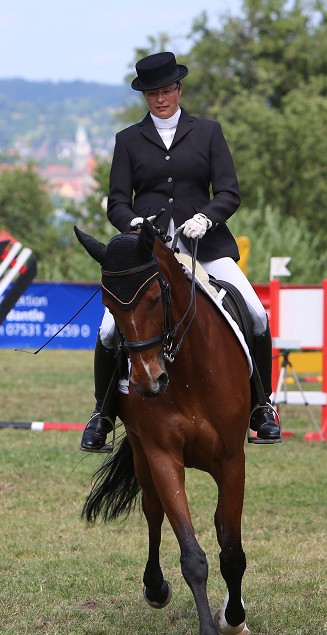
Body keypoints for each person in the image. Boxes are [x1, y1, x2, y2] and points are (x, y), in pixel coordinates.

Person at [80, 51, 280, 452]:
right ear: (145, 96)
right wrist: (134, 224)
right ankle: (101, 414)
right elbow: (117, 201)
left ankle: (262, 406)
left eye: (167, 89)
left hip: (204, 246)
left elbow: (229, 192)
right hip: (151, 253)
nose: (161, 98)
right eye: (153, 92)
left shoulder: (208, 132)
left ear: (179, 88)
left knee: (256, 313)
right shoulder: (128, 140)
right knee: (107, 328)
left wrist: (206, 218)